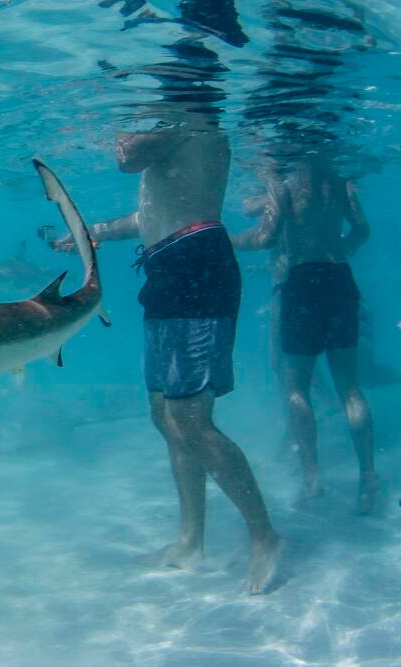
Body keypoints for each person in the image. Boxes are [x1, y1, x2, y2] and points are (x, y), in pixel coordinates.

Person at [44, 110, 282, 594]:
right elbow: (152, 214)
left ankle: (265, 536)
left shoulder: (190, 119)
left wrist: (119, 106)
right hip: (166, 269)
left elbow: (127, 156)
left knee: (192, 421)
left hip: (198, 265)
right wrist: (96, 233)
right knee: (164, 415)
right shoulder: (173, 134)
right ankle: (191, 539)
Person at [232, 153, 379, 514]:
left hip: (302, 283)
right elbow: (362, 230)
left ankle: (312, 478)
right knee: (350, 387)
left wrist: (229, 241)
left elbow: (267, 236)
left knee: (296, 386)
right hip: (339, 279)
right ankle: (368, 476)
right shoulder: (338, 174)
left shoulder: (281, 175)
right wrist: (336, 253)